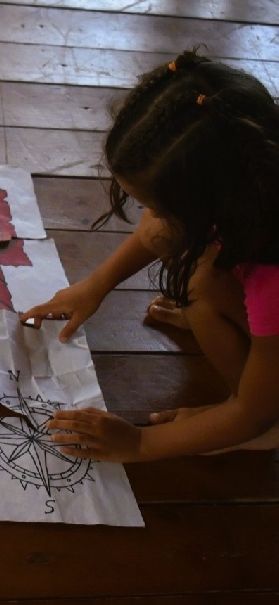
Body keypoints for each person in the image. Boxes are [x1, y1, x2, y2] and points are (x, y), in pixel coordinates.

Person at [20, 49, 279, 463]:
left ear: (215, 199)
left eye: (158, 206)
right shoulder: (250, 173)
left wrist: (140, 443)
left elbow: (252, 411)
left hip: (263, 394)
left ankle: (273, 430)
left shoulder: (272, 278)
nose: (150, 218)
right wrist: (95, 286)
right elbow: (157, 233)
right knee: (189, 267)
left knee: (200, 289)